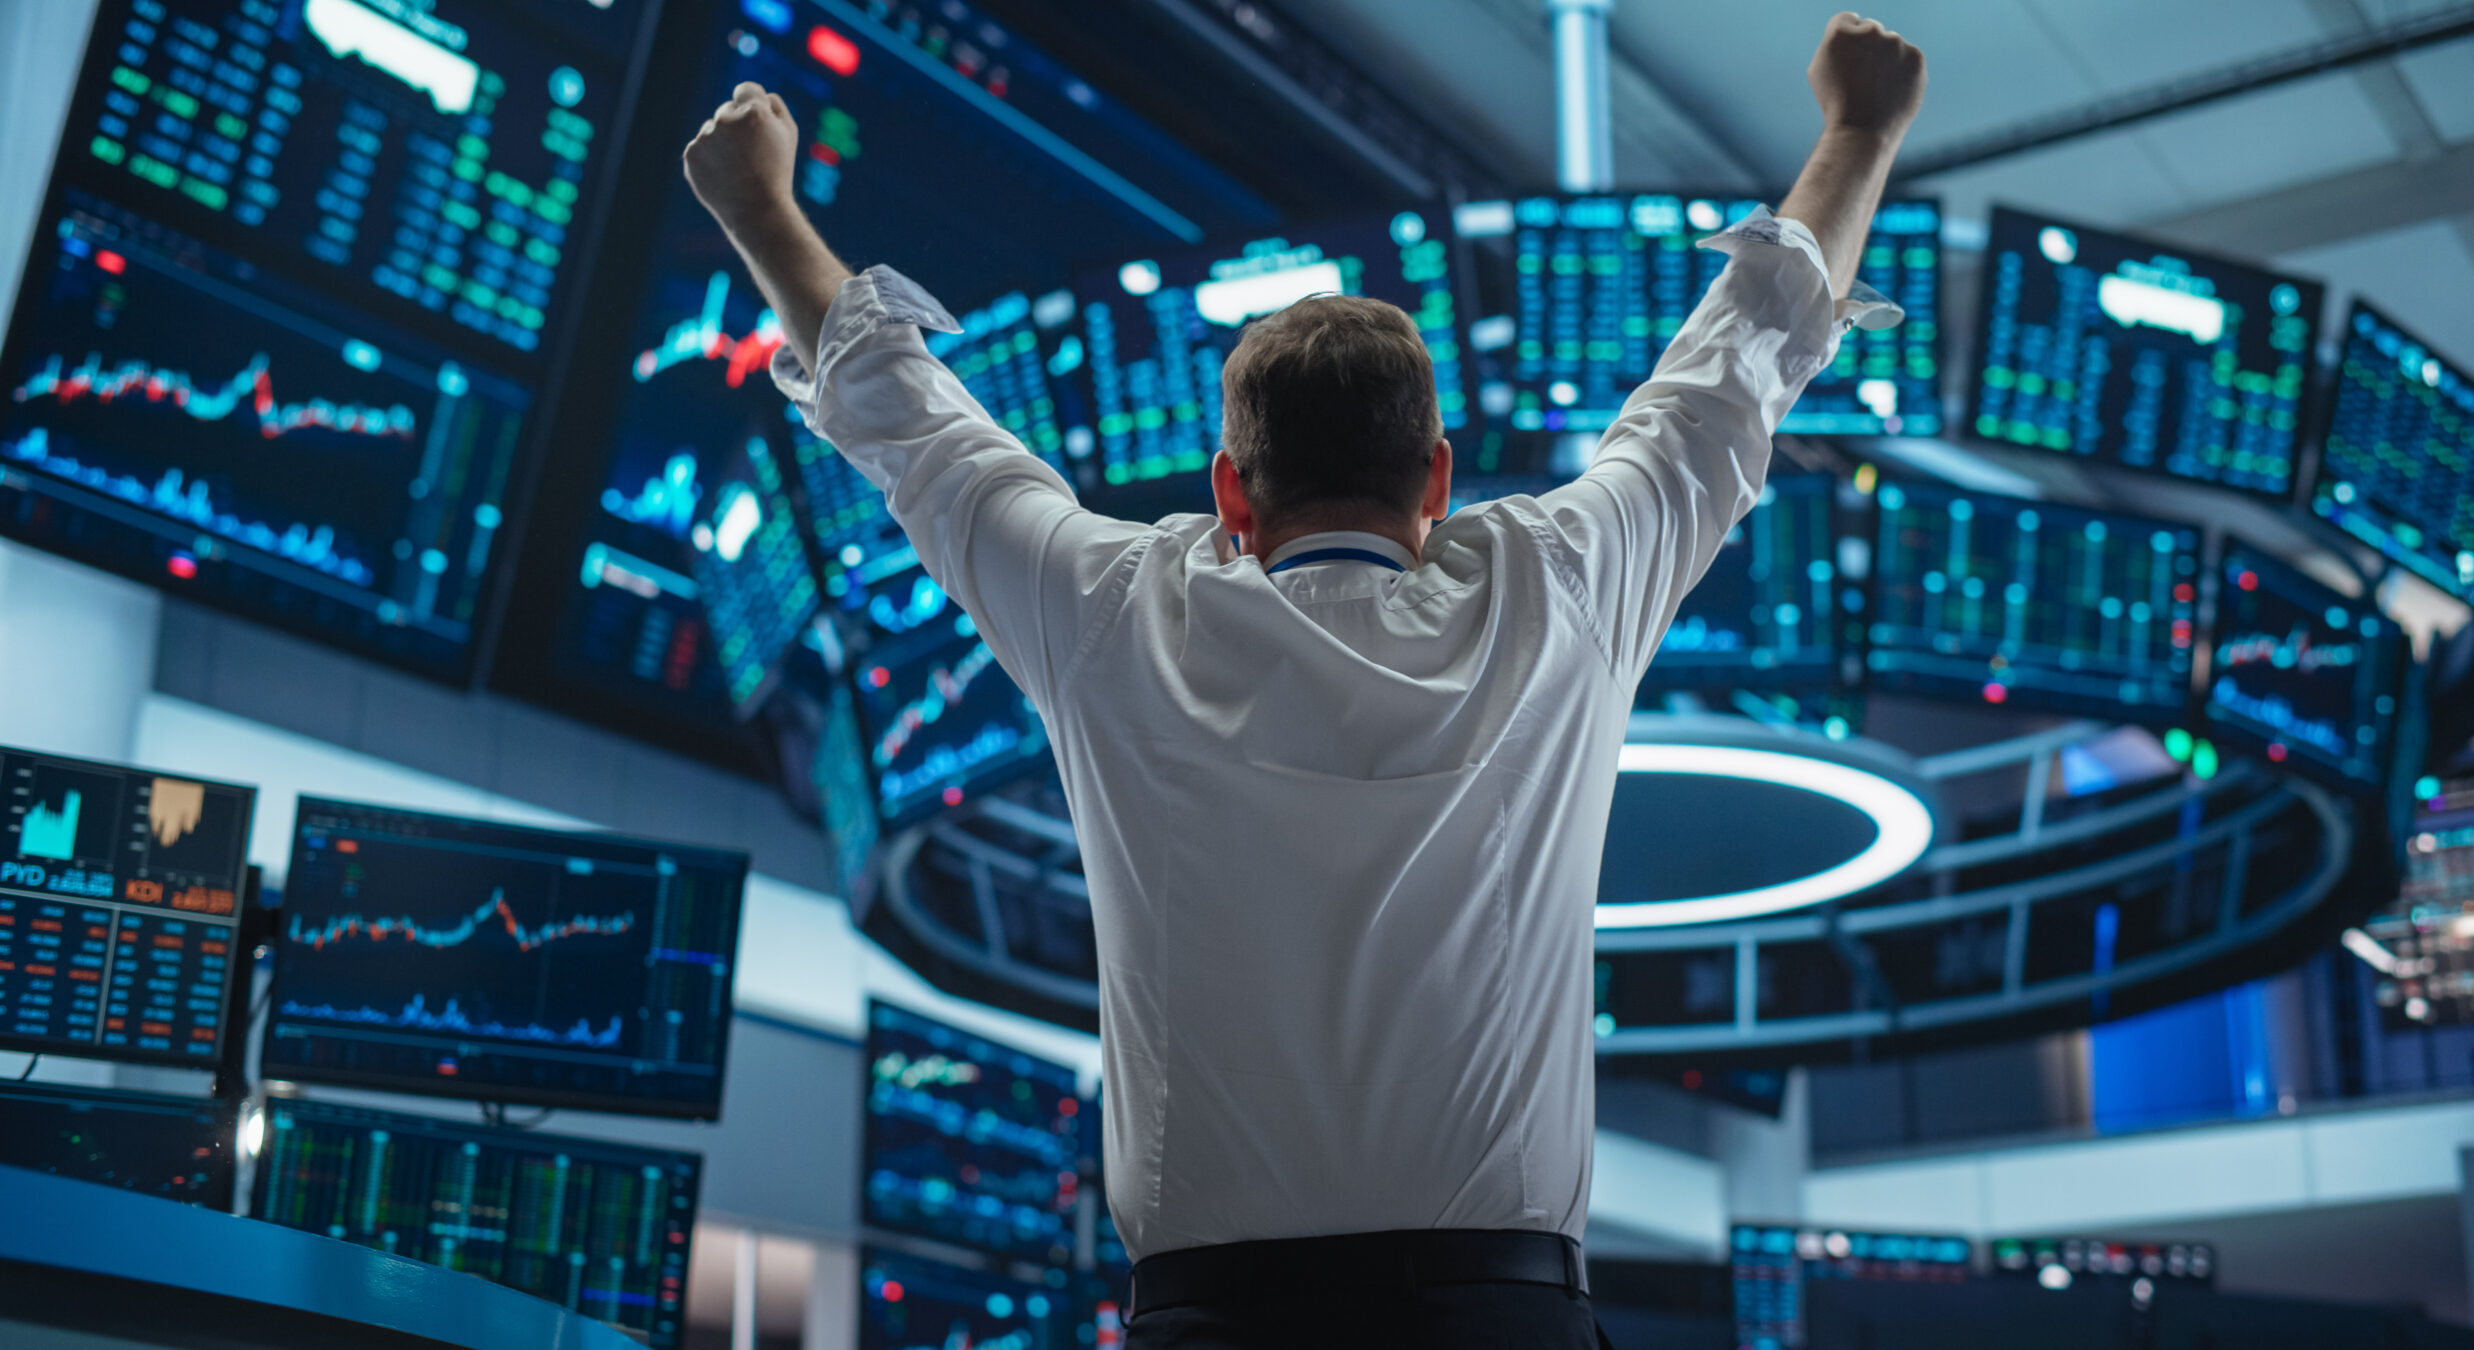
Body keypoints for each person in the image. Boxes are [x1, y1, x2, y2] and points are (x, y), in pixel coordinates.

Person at [683, 12, 1924, 1345]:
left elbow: (914, 426)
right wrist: (1858, 132)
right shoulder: (1556, 584)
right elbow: (1738, 367)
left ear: (1230, 493)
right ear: (1438, 479)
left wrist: (761, 209)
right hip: (1499, 1321)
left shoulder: (1118, 607)